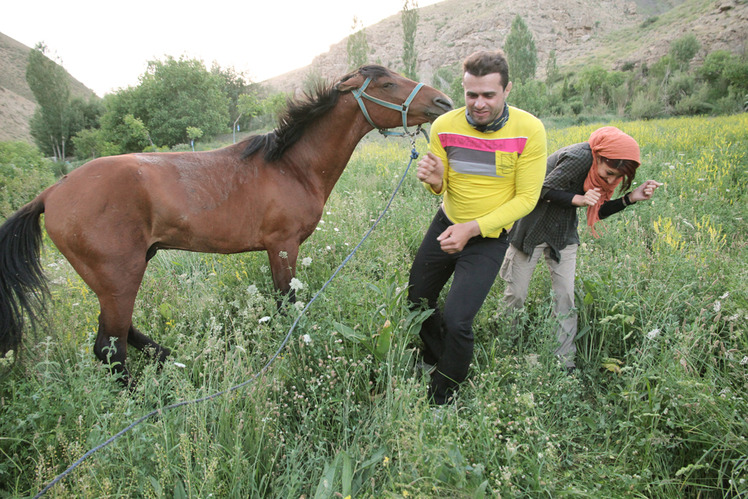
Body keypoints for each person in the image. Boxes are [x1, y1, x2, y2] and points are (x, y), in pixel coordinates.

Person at [408, 50, 547, 405]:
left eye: (489, 95)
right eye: (472, 95)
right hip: (447, 222)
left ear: (507, 90)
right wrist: (436, 182)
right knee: (416, 300)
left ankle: (444, 395)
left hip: (489, 236)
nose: (479, 103)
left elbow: (527, 199)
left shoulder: (529, 130)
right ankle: (443, 358)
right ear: (463, 90)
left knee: (458, 319)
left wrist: (473, 228)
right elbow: (440, 186)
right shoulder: (444, 126)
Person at [499, 126, 663, 370]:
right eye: (608, 173)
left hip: (562, 233)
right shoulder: (579, 158)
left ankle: (565, 363)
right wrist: (578, 199)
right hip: (529, 231)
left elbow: (599, 210)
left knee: (566, 297)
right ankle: (507, 350)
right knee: (517, 294)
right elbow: (538, 189)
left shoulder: (605, 170)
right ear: (598, 156)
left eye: (616, 178)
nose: (609, 181)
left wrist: (630, 198)